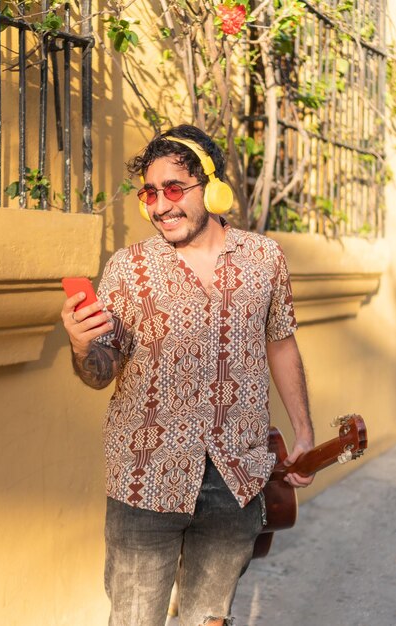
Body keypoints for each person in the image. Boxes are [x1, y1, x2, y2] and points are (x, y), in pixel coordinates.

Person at [61, 124, 314, 626]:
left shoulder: (264, 259)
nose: (160, 206)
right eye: (149, 194)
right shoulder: (129, 268)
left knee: (209, 619)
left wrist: (304, 431)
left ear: (212, 189)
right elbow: (99, 372)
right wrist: (81, 343)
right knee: (133, 619)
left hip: (236, 474)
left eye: (174, 189)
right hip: (145, 476)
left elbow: (281, 343)